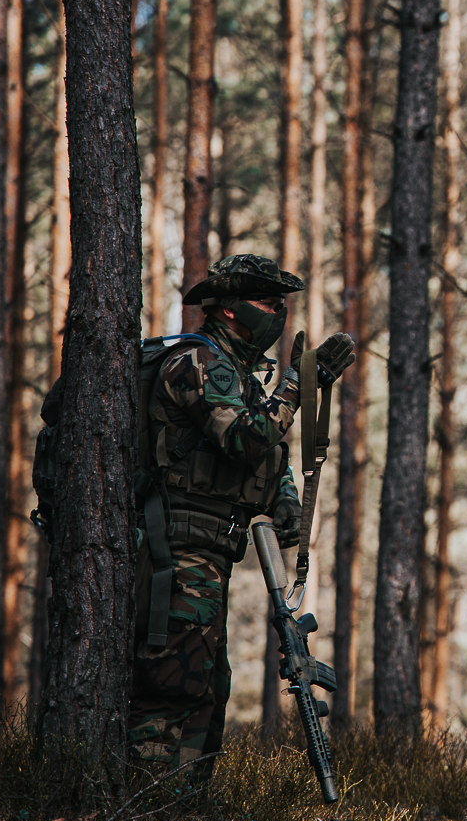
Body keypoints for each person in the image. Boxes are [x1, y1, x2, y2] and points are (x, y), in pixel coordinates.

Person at [125, 254, 356, 777]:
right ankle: (145, 808)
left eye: (281, 304)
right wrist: (299, 387)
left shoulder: (240, 376)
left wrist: (287, 501)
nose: (277, 314)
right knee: (170, 687)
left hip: (210, 556)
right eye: (267, 303)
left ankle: (186, 819)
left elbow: (266, 457)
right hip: (175, 553)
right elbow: (243, 438)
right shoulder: (196, 362)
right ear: (228, 309)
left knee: (208, 689)